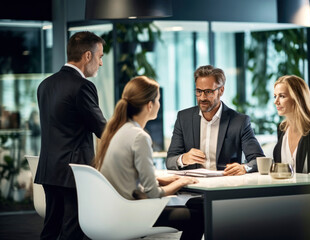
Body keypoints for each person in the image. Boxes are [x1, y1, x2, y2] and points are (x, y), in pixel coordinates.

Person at [93, 76, 204, 240]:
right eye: (158, 100)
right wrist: (181, 181)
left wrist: (160, 179)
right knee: (200, 213)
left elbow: (129, 175)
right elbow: (153, 193)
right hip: (132, 215)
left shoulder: (118, 130)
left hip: (114, 210)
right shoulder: (140, 137)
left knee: (197, 205)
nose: (159, 104)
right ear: (149, 105)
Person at [36, 31, 107, 240]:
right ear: (87, 56)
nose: (100, 63)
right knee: (73, 232)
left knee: (51, 230)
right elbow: (102, 129)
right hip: (74, 174)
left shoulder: (45, 85)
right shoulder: (83, 86)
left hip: (50, 171)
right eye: (100, 57)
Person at [166, 65, 264, 175]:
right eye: (199, 91)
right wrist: (183, 159)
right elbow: (170, 161)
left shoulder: (239, 121)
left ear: (221, 90)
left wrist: (245, 168)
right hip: (192, 185)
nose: (202, 97)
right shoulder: (184, 118)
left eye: (208, 92)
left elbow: (258, 160)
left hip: (225, 185)